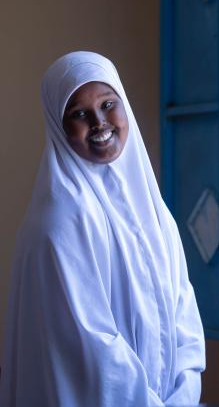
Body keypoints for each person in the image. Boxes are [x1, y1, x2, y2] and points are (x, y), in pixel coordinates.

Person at [0, 51, 205, 406]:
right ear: (58, 126)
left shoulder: (152, 209)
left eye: (109, 104)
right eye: (79, 113)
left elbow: (182, 307)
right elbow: (91, 351)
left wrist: (184, 393)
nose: (99, 122)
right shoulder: (58, 223)